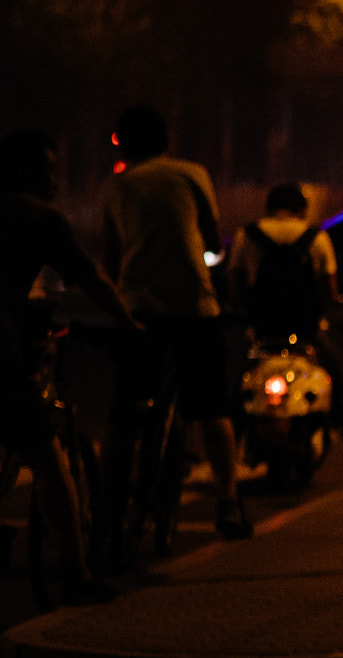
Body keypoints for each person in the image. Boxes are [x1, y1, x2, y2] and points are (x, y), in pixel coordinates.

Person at [98, 105, 248, 558]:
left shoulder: (116, 187)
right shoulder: (191, 174)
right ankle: (228, 502)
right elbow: (209, 234)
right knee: (212, 409)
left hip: (138, 312)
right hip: (192, 308)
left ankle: (106, 507)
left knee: (125, 415)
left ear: (122, 144)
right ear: (166, 139)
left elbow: (110, 256)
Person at [0, 127, 139, 603]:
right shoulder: (40, 217)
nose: (55, 180)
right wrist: (127, 323)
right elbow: (90, 277)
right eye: (48, 169)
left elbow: (46, 284)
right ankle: (76, 574)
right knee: (46, 453)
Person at [226, 182, 343, 476]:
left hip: (262, 333)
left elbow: (236, 290)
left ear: (269, 208)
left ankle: (227, 460)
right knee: (341, 389)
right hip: (307, 333)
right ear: (300, 209)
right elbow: (329, 293)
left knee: (234, 393)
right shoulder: (316, 237)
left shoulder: (246, 235)